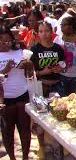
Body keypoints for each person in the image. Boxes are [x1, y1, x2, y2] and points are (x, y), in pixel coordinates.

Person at [0, 26, 33, 160]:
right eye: (2, 41)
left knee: (25, 129)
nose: (5, 44)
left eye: (8, 41)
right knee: (7, 132)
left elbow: (30, 74)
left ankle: (25, 156)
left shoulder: (21, 52)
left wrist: (29, 66)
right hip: (5, 98)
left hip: (22, 94)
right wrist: (4, 71)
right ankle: (12, 157)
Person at [54, 16, 76, 96]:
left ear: (71, 26)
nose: (61, 26)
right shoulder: (58, 40)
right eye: (61, 25)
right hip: (63, 76)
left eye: (63, 25)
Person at [30, 22, 65, 97]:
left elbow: (64, 67)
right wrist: (42, 72)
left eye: (47, 31)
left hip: (58, 86)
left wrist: (61, 69)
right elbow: (29, 74)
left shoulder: (58, 48)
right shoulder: (34, 50)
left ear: (52, 32)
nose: (44, 34)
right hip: (41, 86)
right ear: (38, 33)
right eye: (41, 31)